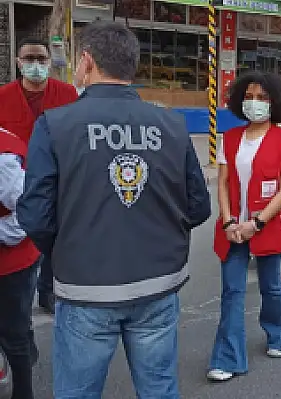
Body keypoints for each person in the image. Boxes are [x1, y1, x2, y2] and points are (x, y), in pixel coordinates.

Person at [16, 20, 211, 398]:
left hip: (86, 288)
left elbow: (36, 216)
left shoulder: (55, 125)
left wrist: (71, 247)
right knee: (159, 389)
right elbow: (198, 207)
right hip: (159, 286)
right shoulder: (171, 124)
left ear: (86, 62)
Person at [208, 71, 281, 382]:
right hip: (233, 229)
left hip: (267, 226)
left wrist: (256, 223)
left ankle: (280, 333)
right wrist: (229, 221)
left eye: (262, 97)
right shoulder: (229, 138)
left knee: (270, 287)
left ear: (275, 103)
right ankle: (227, 358)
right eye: (248, 96)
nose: (254, 103)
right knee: (231, 292)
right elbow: (222, 183)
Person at [0, 37, 79, 314]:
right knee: (19, 238)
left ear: (50, 62)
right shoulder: (3, 97)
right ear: (19, 63)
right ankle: (20, 295)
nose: (35, 65)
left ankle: (48, 291)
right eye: (29, 59)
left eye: (41, 59)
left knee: (52, 237)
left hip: (56, 178)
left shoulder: (68, 94)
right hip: (13, 183)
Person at [0, 127, 40, 399]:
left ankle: (24, 392)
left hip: (12, 259)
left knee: (12, 332)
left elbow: (27, 210)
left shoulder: (3, 157)